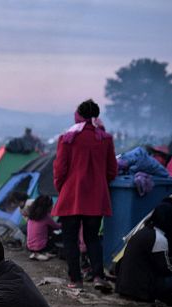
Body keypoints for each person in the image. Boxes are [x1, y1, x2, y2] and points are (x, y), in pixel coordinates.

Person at [52, 99, 117, 289]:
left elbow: (60, 169)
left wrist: (61, 188)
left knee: (70, 240)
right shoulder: (105, 139)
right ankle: (98, 276)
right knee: (92, 237)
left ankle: (76, 280)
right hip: (96, 198)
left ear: (78, 115)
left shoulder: (67, 138)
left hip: (71, 196)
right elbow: (112, 170)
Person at [116, 203, 172, 304]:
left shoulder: (143, 232)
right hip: (141, 290)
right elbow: (167, 269)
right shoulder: (159, 238)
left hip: (124, 287)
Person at [23, 195, 61, 261]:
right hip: (41, 247)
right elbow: (57, 227)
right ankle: (42, 253)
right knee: (57, 236)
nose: (52, 207)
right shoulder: (46, 217)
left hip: (29, 246)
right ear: (47, 207)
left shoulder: (31, 216)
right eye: (51, 205)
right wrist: (64, 224)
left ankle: (36, 253)